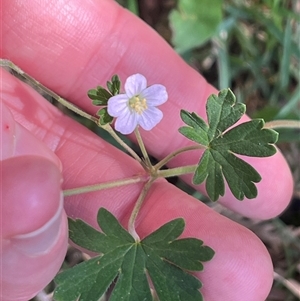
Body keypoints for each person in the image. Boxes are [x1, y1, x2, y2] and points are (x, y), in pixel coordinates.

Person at [0, 1, 293, 300]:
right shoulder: (125, 106)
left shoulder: (144, 106)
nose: (138, 102)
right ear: (128, 97)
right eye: (134, 100)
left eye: (139, 100)